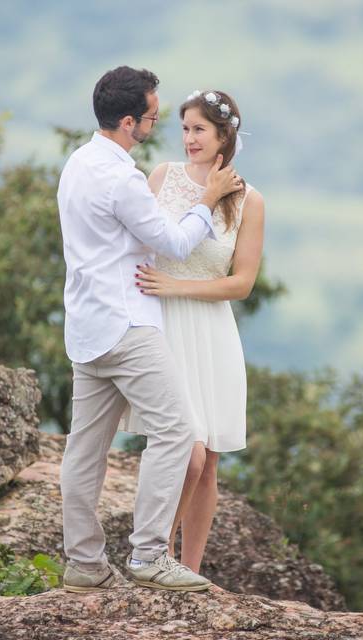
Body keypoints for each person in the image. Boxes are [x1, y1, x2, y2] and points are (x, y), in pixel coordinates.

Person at [57, 67, 243, 593]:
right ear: (128, 120)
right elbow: (175, 243)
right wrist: (206, 201)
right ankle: (149, 555)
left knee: (84, 450)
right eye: (154, 118)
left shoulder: (77, 163)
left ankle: (85, 563)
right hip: (127, 326)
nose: (160, 127)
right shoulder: (123, 178)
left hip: (86, 327)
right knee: (178, 432)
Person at [123, 89, 265, 573]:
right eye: (184, 128)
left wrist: (178, 286)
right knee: (188, 453)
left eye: (199, 129)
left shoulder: (250, 200)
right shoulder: (162, 176)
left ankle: (191, 568)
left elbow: (242, 283)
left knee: (209, 469)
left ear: (225, 134)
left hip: (212, 333)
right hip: (163, 328)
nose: (188, 139)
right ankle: (153, 557)